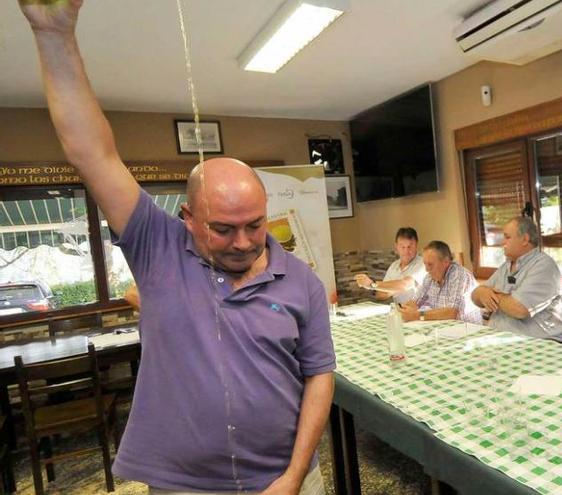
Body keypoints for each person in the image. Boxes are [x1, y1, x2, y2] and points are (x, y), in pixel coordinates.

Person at [19, 2, 334, 493]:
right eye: (223, 229)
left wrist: (294, 476)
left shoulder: (303, 282)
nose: (245, 241)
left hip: (286, 481)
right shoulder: (155, 246)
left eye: (254, 224)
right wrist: (53, 33)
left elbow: (319, 376)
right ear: (187, 219)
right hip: (183, 485)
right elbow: (92, 153)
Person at [471, 217, 562, 341]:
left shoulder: (544, 266)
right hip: (501, 339)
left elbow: (519, 309)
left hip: (539, 344)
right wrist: (482, 293)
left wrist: (490, 295)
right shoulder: (506, 266)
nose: (503, 242)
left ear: (525, 239)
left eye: (507, 237)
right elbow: (475, 297)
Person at [400, 241, 481, 324]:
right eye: (425, 264)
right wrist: (406, 309)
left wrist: (417, 315)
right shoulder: (429, 277)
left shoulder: (460, 275)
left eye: (430, 264)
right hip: (444, 329)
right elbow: (414, 302)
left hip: (467, 330)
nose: (426, 269)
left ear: (445, 262)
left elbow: (451, 313)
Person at [354, 227, 426, 304]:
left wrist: (372, 284)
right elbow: (379, 295)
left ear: (416, 245)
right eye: (402, 247)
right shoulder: (394, 266)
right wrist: (394, 288)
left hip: (419, 312)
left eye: (410, 246)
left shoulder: (423, 264)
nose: (406, 251)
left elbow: (405, 285)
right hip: (400, 311)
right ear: (396, 246)